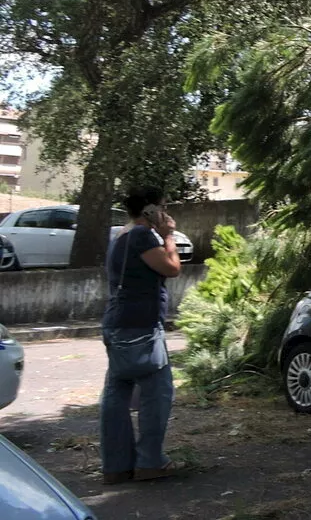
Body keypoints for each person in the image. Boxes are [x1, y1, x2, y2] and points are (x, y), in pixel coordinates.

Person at [99, 187, 185, 484]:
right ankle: (150, 461)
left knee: (117, 392)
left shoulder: (120, 235)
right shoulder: (142, 235)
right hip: (140, 325)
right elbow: (172, 268)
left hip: (118, 323)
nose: (167, 212)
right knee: (158, 391)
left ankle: (116, 466)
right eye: (163, 206)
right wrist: (169, 235)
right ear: (149, 210)